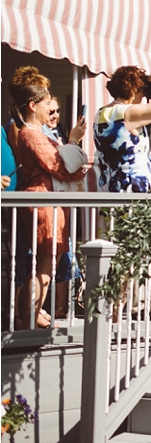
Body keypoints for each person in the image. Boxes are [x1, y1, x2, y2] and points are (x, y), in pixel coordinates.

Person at [11, 77, 88, 329]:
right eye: (47, 105)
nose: (51, 111)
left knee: (47, 260)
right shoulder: (31, 134)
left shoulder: (32, 133)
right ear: (33, 106)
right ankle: (31, 317)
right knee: (45, 261)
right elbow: (60, 166)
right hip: (44, 200)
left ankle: (32, 314)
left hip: (48, 198)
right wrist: (74, 143)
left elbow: (63, 166)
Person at [94, 66, 151, 193]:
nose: (143, 98)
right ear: (133, 90)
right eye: (142, 91)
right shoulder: (128, 113)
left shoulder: (102, 113)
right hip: (135, 187)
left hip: (112, 184)